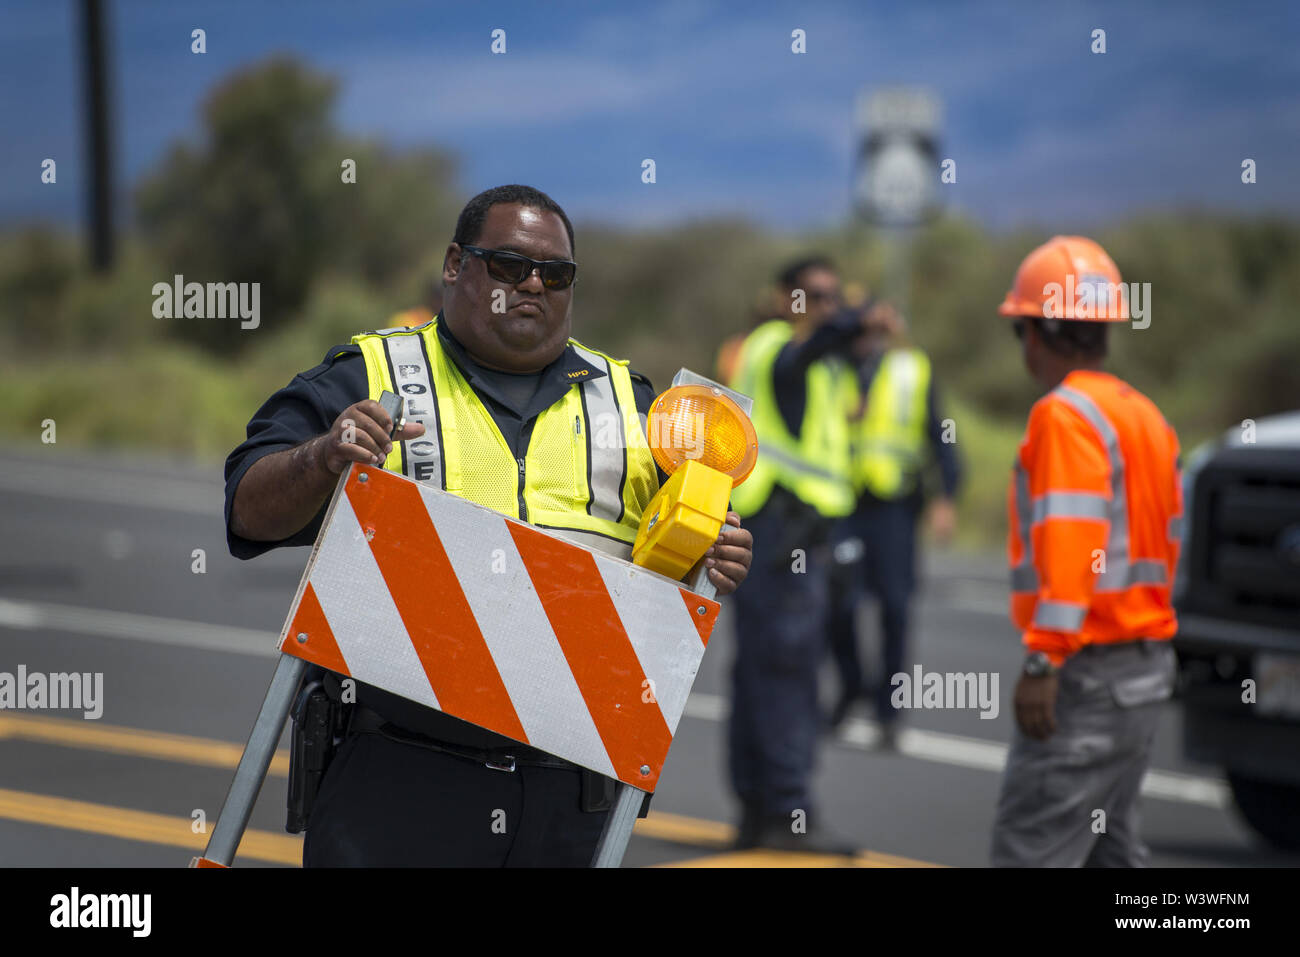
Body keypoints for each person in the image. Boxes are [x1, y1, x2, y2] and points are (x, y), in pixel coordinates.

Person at [224, 184, 753, 867]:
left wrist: (713, 556)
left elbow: (665, 572)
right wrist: (323, 456)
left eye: (555, 273)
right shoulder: (373, 374)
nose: (533, 283)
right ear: (454, 264)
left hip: (569, 792)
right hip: (402, 786)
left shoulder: (636, 405)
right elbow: (247, 507)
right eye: (508, 264)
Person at [988, 236, 1183, 867]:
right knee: (1111, 854)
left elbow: (1075, 546)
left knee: (1033, 853)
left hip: (1088, 677)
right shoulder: (1144, 414)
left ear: (1038, 332)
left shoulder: (1064, 414)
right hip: (1144, 672)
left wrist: (1044, 661)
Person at [725, 255, 871, 853]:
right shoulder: (778, 347)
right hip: (784, 530)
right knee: (786, 673)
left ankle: (759, 810)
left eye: (834, 296)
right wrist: (857, 316)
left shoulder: (822, 361)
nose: (825, 305)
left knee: (763, 671)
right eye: (813, 295)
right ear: (784, 297)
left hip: (803, 532)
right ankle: (787, 813)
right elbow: (817, 345)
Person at [825, 300, 962, 746]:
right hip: (843, 505)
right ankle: (851, 688)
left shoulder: (911, 370)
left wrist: (947, 494)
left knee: (896, 609)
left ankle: (888, 714)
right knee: (840, 604)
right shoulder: (833, 369)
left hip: (895, 508)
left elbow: (941, 432)